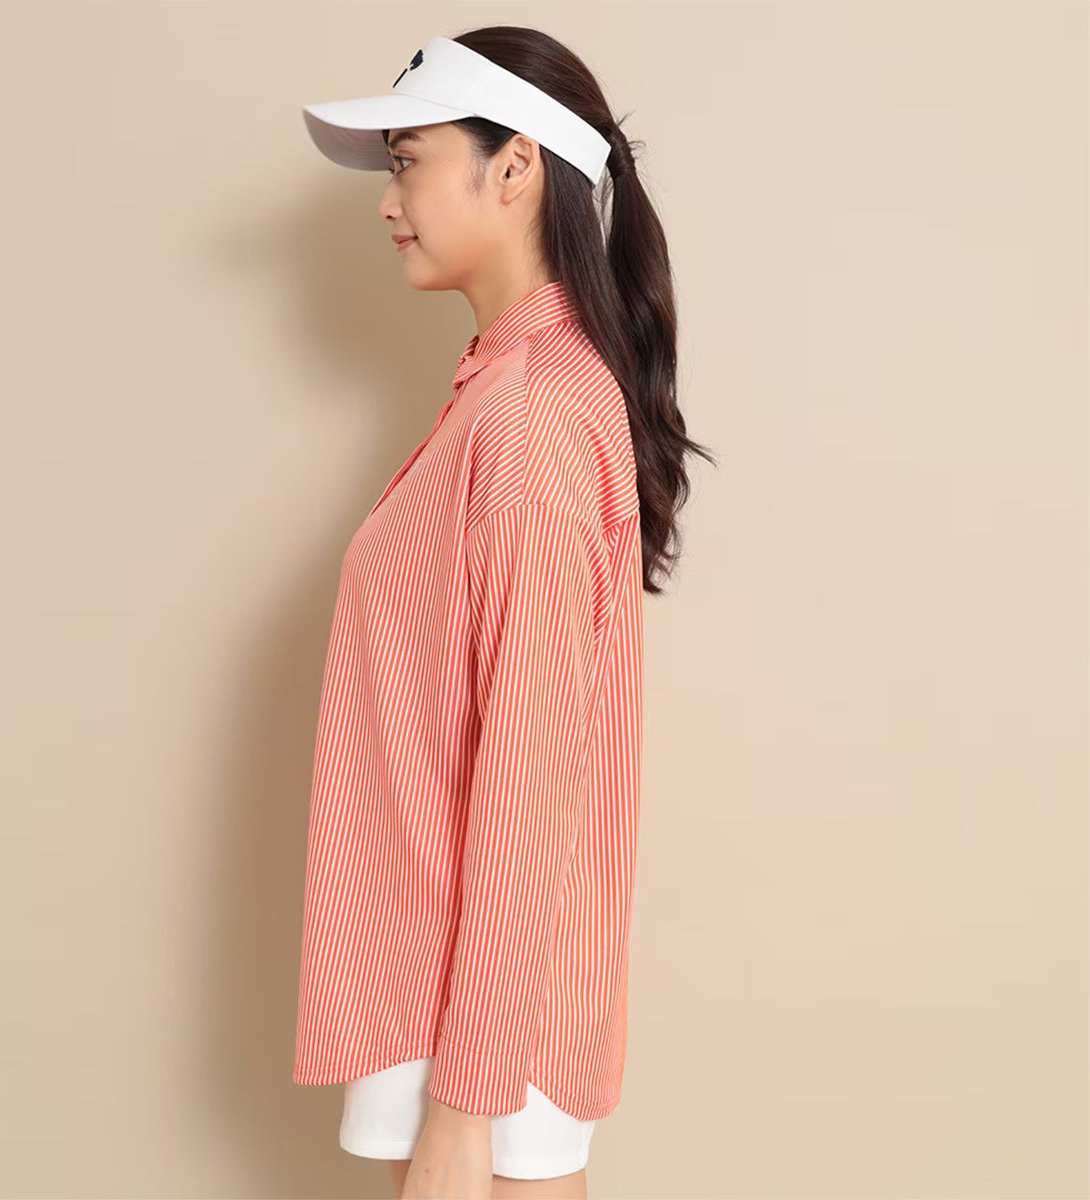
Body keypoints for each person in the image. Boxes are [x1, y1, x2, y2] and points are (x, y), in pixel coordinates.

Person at [296, 25, 715, 1200]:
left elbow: (534, 776)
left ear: (515, 166)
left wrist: (467, 1097)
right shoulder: (506, 391)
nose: (389, 202)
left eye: (407, 161)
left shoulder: (531, 416)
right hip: (443, 985)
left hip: (475, 1019)